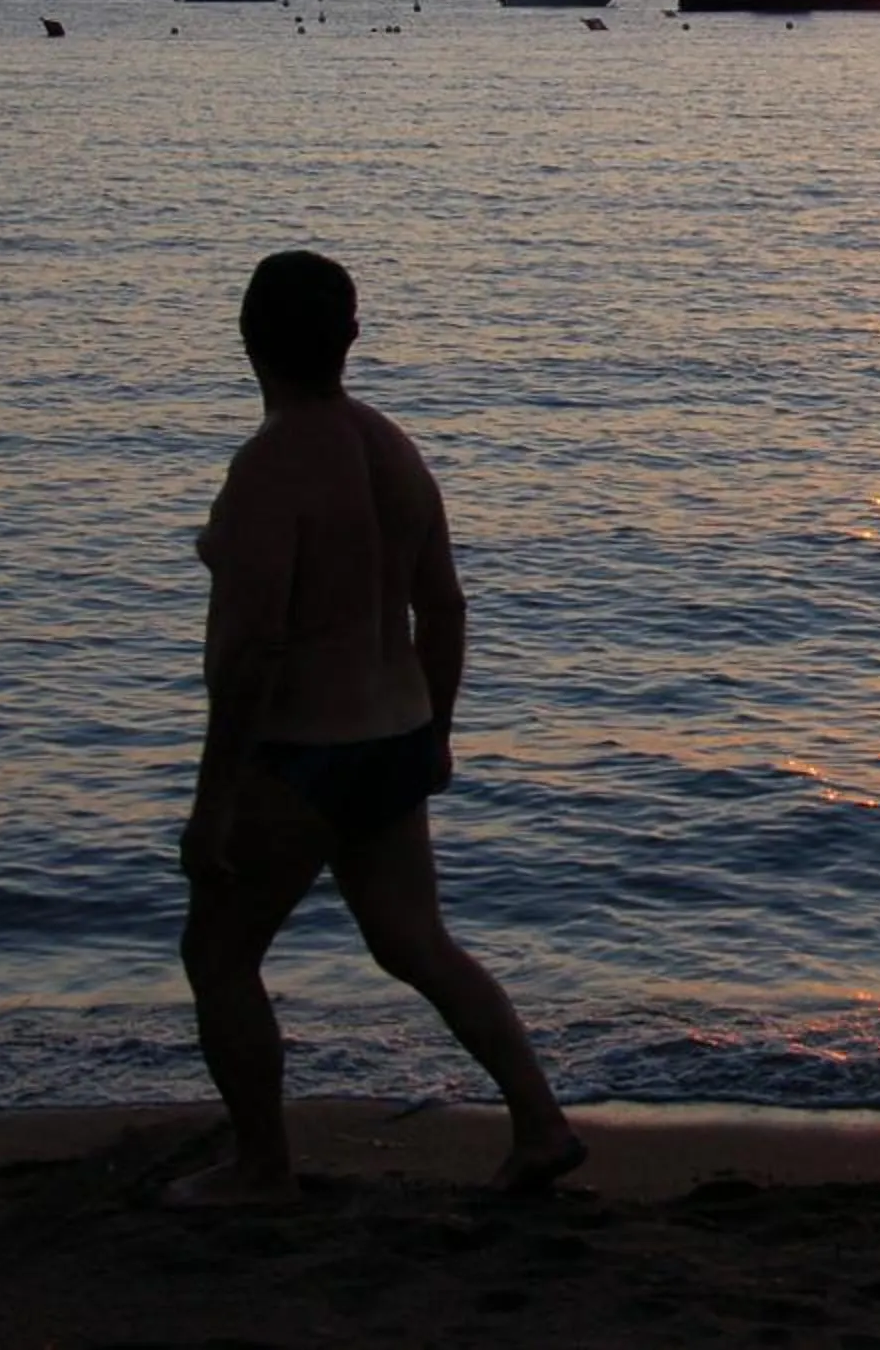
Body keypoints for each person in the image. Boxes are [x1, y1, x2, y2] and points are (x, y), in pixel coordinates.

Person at [172, 249, 584, 1203]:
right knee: (414, 942)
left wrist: (214, 801)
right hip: (392, 737)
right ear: (351, 336)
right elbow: (444, 609)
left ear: (246, 340)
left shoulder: (270, 467)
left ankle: (261, 1167)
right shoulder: (392, 448)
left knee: (218, 955)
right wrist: (435, 731)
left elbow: (252, 652)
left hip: (300, 754)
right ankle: (540, 1122)